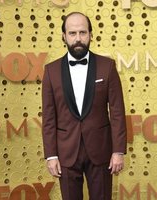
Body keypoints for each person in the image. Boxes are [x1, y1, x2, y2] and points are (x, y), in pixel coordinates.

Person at [42, 12, 127, 200]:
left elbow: (118, 113)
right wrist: (51, 155)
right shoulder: (51, 71)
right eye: (72, 33)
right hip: (65, 152)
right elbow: (48, 118)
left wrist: (118, 151)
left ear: (91, 35)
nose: (78, 38)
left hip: (101, 150)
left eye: (83, 32)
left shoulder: (108, 66)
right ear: (63, 36)